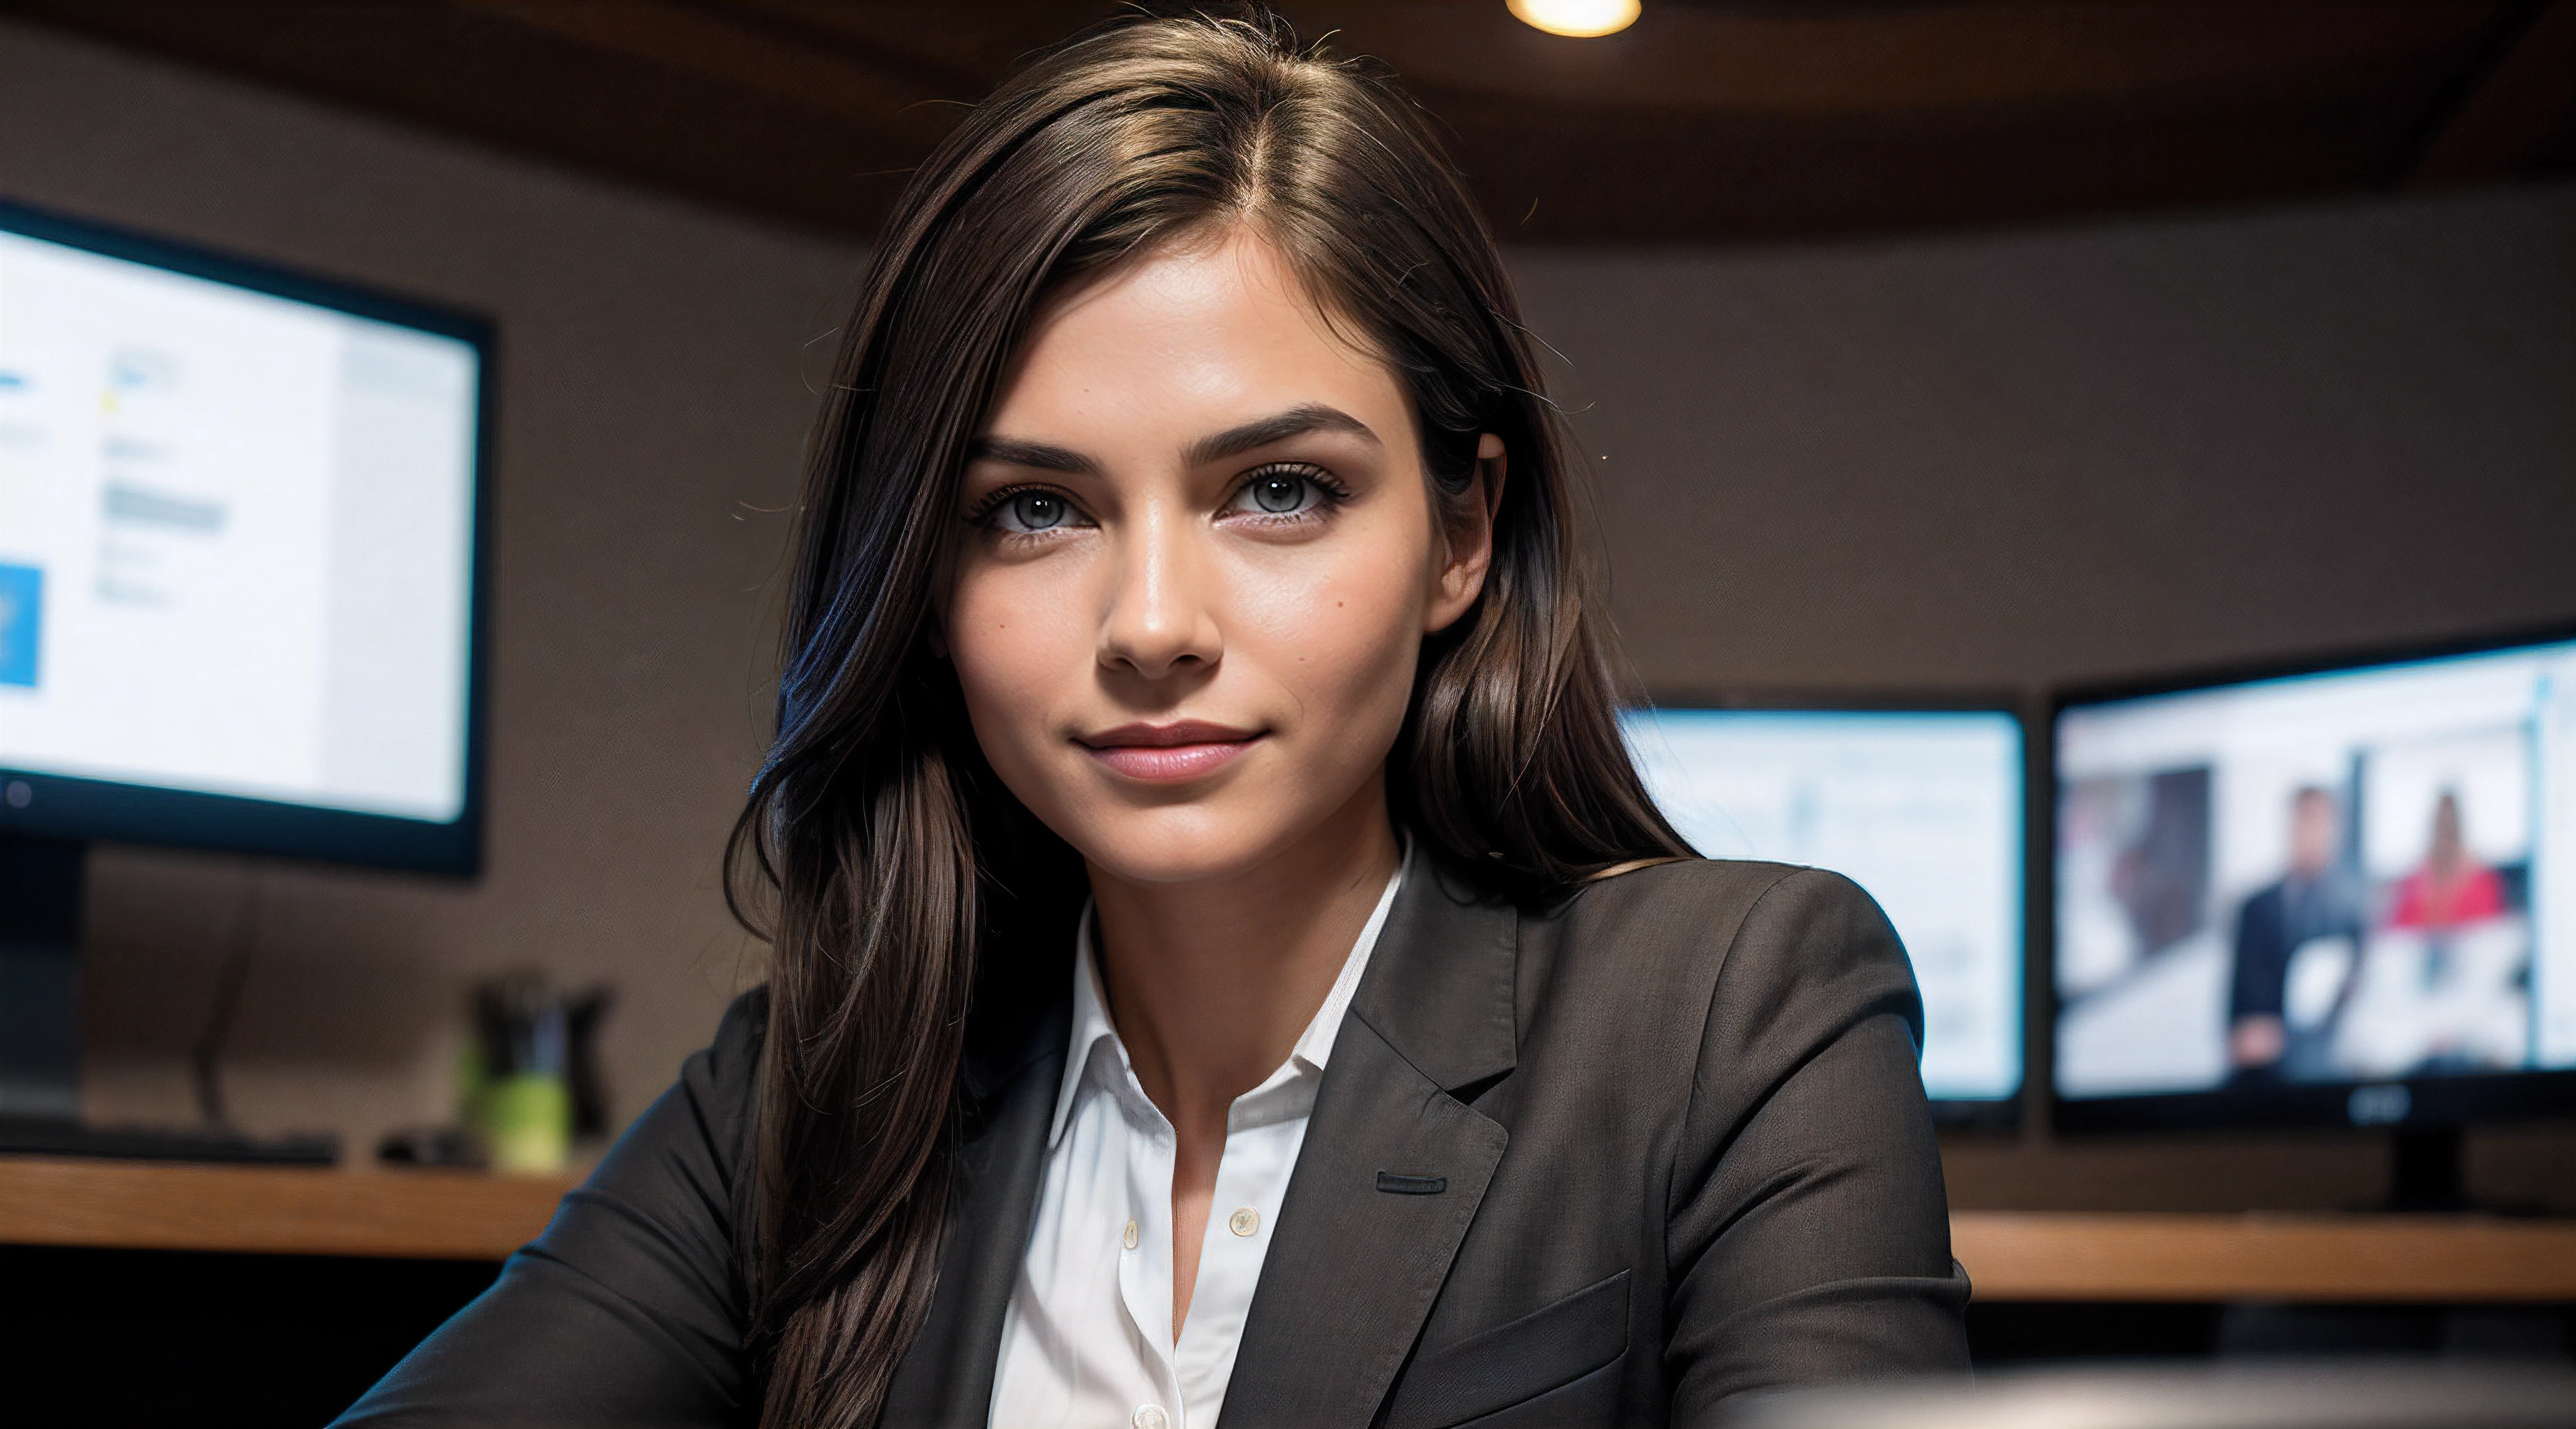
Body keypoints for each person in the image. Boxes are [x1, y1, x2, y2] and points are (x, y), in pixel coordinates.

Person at [337, 13, 1967, 1427]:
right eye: (1036, 512)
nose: (1153, 627)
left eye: (1278, 492)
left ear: (1462, 535)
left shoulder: (1739, 1015)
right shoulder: (825, 1081)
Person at [2226, 786, 2365, 1077]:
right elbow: (2243, 1035)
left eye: (2321, 822)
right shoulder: (2256, 909)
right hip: (2267, 1084)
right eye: (2305, 820)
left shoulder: (2352, 912)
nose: (2312, 833)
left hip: (2331, 1073)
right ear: (2290, 826)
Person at [2388, 791, 2506, 931]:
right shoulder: (2412, 886)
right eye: (2442, 827)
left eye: (2450, 830)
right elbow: (2400, 937)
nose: (2445, 839)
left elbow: (2489, 934)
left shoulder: (2482, 883)